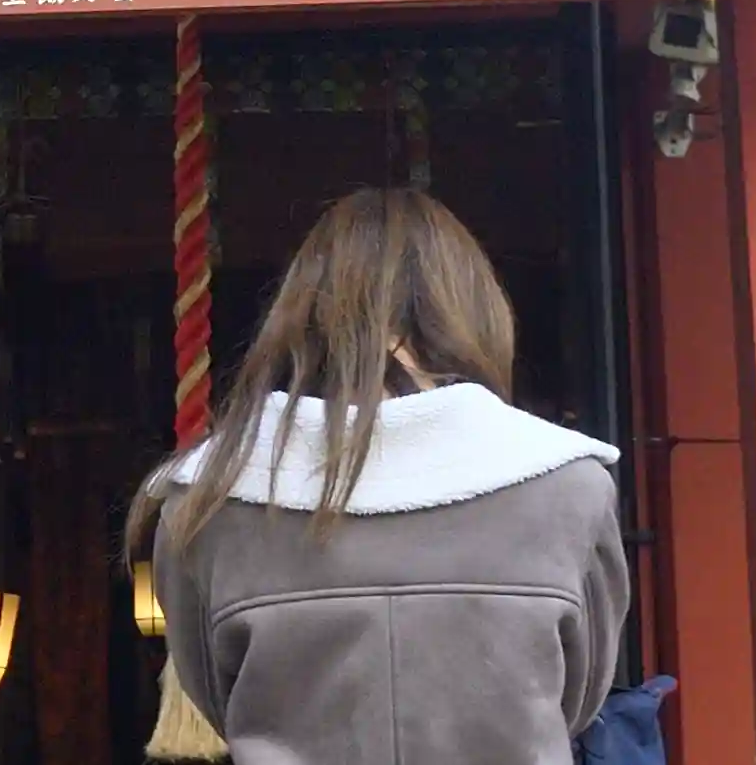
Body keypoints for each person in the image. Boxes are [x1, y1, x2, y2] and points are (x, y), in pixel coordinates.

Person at [129, 187, 630, 765]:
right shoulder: (571, 485)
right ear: (476, 307)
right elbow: (579, 696)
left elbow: (214, 693)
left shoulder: (208, 500)